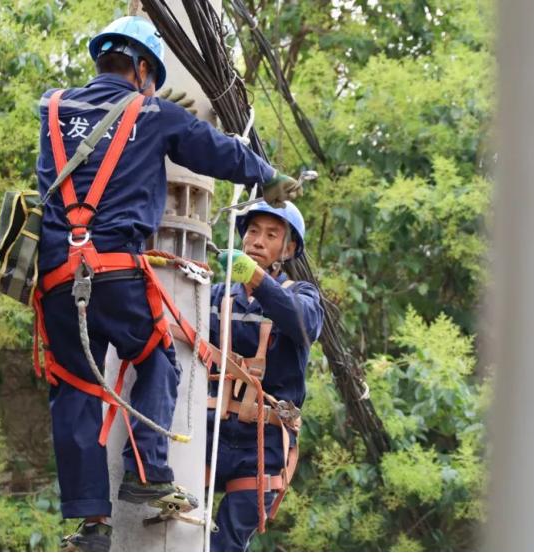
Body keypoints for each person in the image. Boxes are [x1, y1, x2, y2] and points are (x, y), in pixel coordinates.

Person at [34, 16, 302, 551]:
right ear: (141, 69)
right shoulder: (153, 113)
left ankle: (92, 525)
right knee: (156, 354)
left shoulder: (53, 107)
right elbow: (214, 150)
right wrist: (265, 176)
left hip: (59, 276)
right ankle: (148, 475)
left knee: (76, 389)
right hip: (114, 271)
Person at [207, 201, 324, 551]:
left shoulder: (302, 296)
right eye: (253, 232)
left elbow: (303, 325)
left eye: (271, 235)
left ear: (287, 250)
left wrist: (256, 279)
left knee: (226, 543)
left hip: (263, 442)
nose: (257, 241)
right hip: (212, 430)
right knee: (177, 525)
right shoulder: (217, 295)